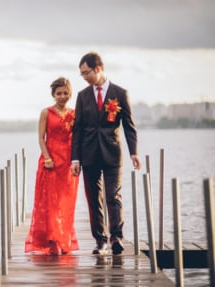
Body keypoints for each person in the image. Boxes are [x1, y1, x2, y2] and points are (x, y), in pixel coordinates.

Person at [70, 52, 142, 255]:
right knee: (94, 198)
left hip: (112, 153)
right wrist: (75, 158)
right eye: (81, 74)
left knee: (113, 195)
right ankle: (100, 241)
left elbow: (129, 126)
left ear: (98, 69)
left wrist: (133, 152)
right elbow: (78, 128)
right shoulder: (82, 96)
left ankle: (116, 237)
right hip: (89, 154)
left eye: (86, 73)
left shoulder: (120, 93)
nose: (84, 77)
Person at [25, 77, 80, 255]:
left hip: (69, 162)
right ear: (53, 95)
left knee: (66, 202)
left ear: (70, 94)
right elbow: (41, 138)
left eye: (65, 93)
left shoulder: (74, 114)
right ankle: (52, 241)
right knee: (50, 203)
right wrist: (47, 158)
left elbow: (78, 138)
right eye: (59, 93)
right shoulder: (46, 113)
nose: (62, 96)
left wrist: (76, 161)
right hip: (50, 162)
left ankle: (64, 238)